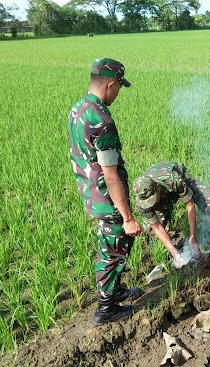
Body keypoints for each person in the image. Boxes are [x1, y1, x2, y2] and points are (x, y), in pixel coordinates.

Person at [67, 58, 143, 325]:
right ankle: (106, 309)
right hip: (107, 198)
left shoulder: (78, 108)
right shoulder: (101, 121)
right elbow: (111, 176)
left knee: (111, 247)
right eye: (119, 87)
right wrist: (128, 217)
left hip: (90, 193)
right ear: (110, 84)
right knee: (112, 252)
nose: (118, 93)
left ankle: (115, 291)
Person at [132, 162, 210, 268]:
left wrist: (193, 237)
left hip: (181, 181)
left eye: (152, 198)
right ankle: (174, 254)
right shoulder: (142, 202)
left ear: (157, 187)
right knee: (152, 231)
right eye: (147, 201)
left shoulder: (173, 179)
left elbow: (190, 204)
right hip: (163, 192)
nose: (151, 203)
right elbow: (156, 226)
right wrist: (175, 254)